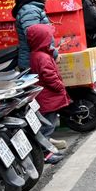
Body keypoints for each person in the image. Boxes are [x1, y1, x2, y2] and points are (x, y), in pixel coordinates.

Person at [27, 23, 71, 164]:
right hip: (48, 98)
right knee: (48, 126)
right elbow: (49, 76)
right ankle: (45, 154)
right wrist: (60, 87)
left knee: (45, 124)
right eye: (49, 38)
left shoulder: (36, 55)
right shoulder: (43, 57)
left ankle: (45, 151)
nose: (51, 40)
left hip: (44, 98)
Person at [13, 0, 54, 69]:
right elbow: (37, 39)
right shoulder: (30, 10)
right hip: (33, 64)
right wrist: (54, 53)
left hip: (38, 61)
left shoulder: (34, 8)